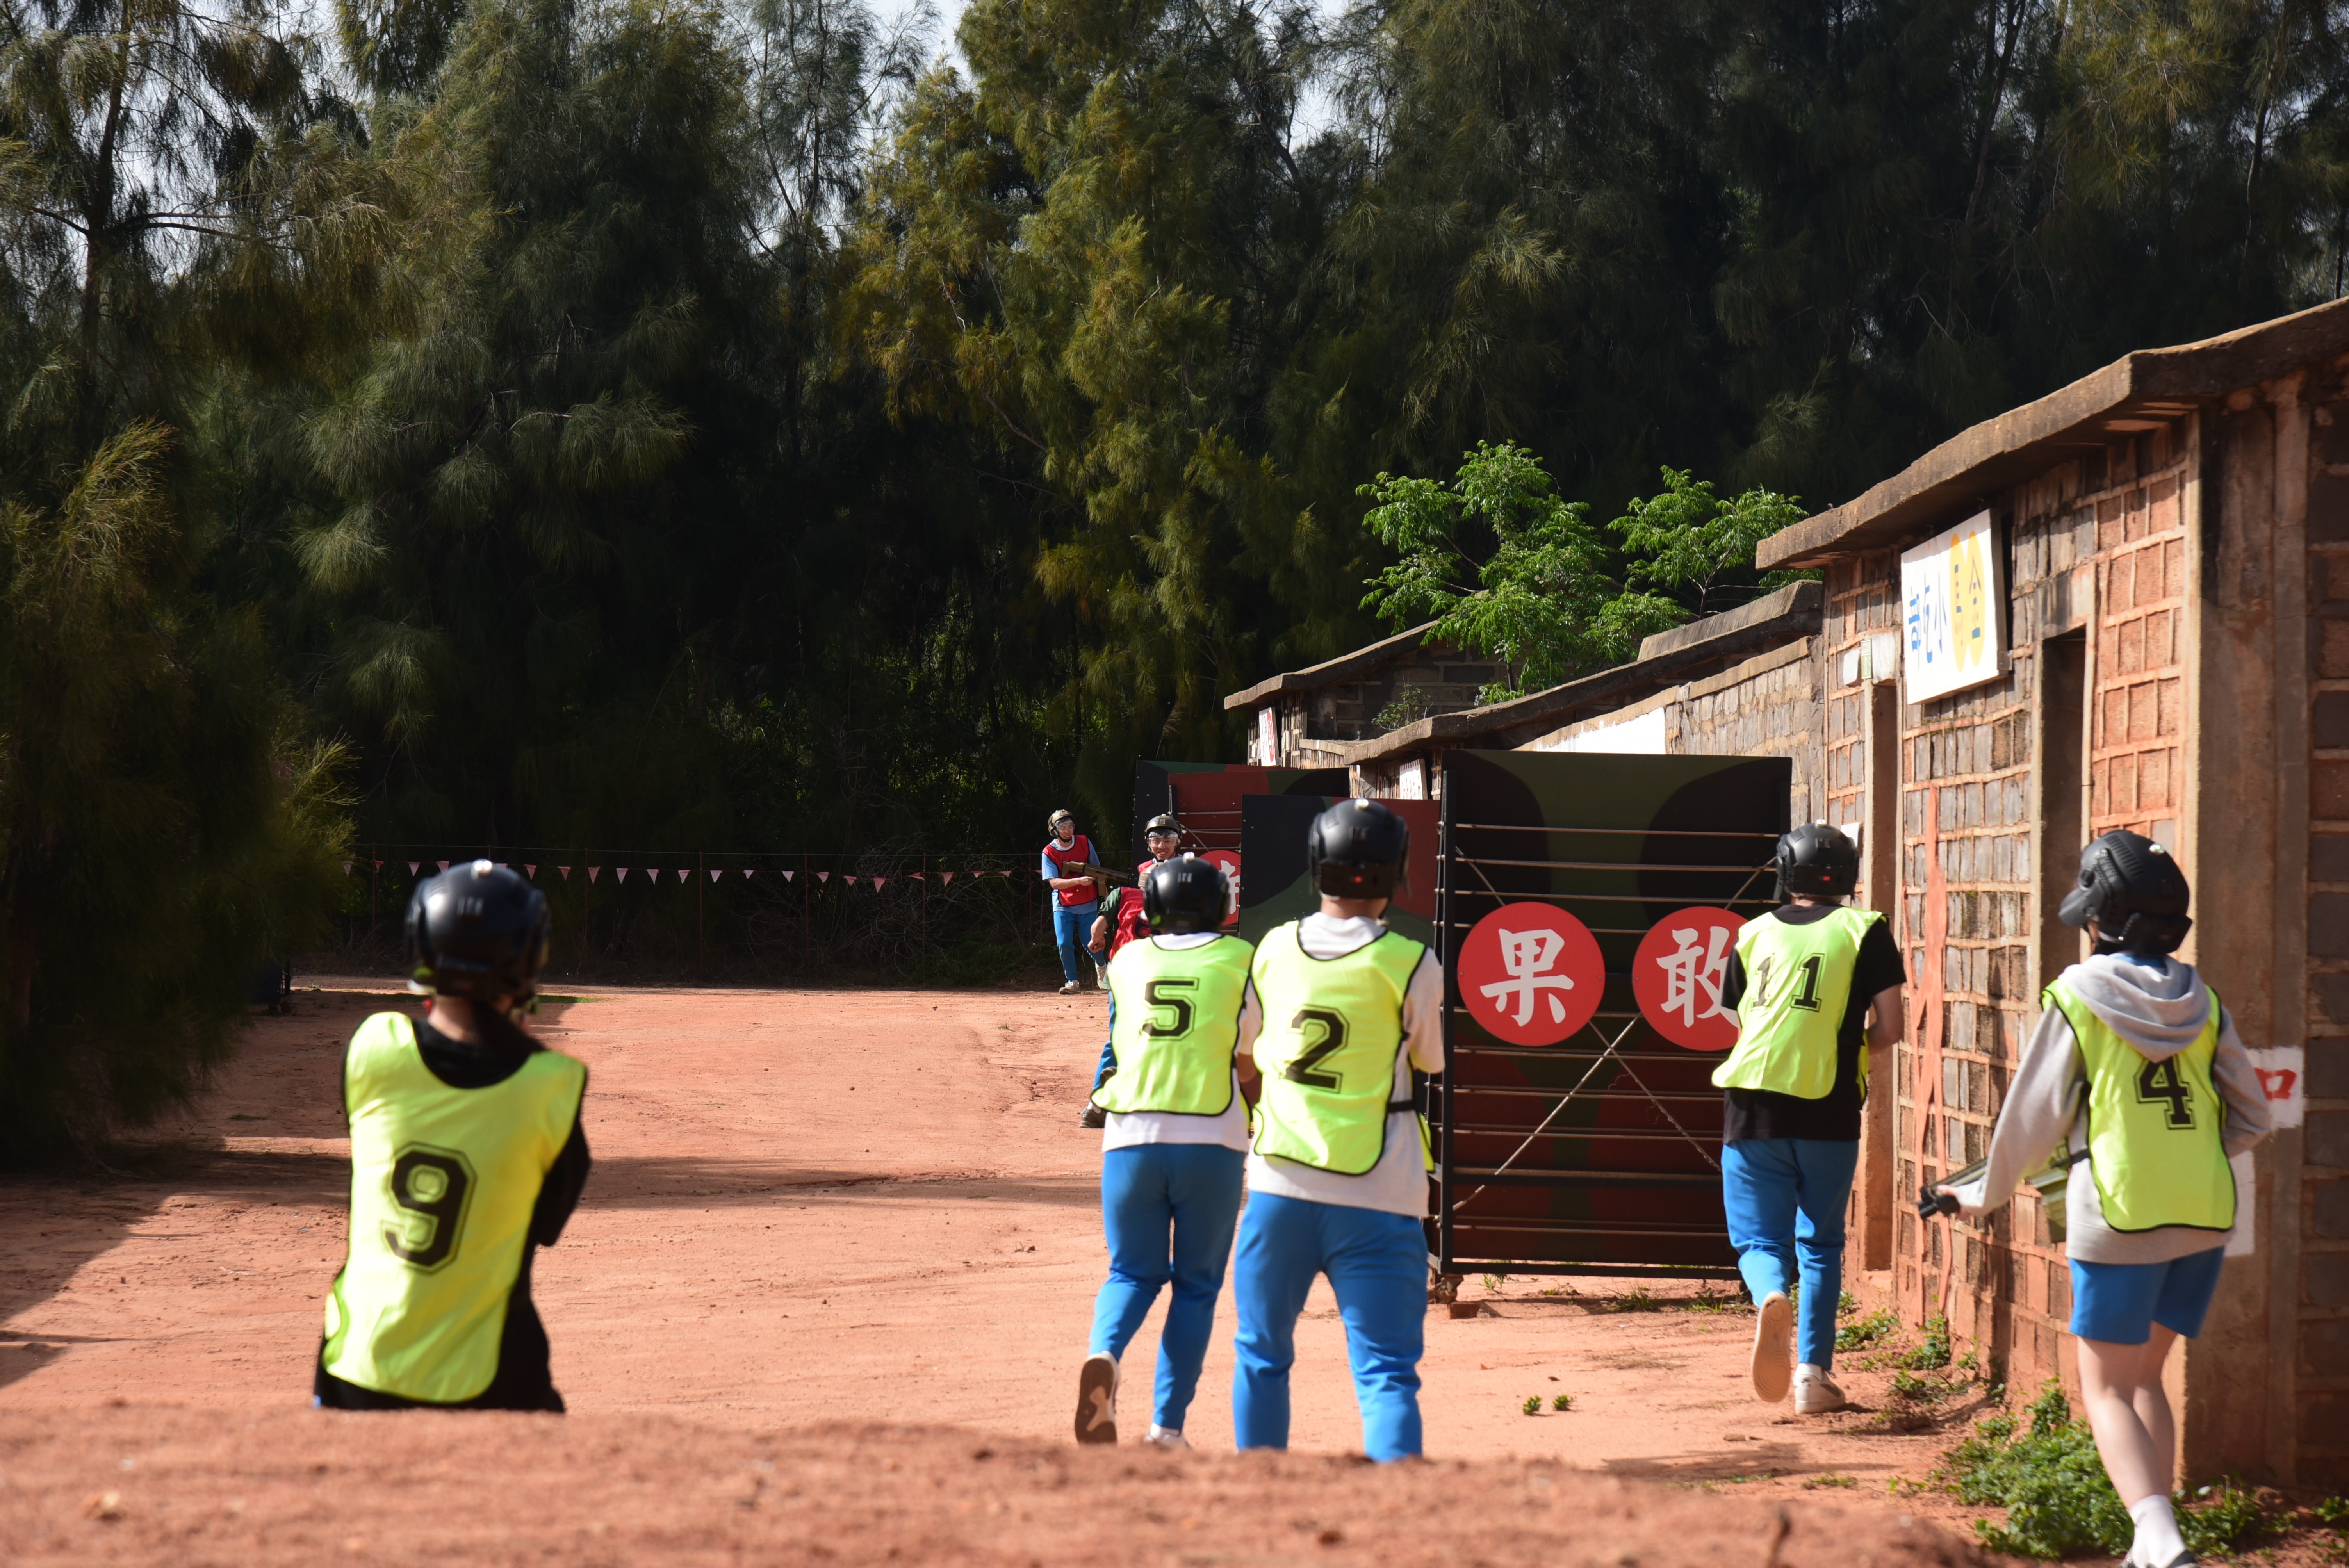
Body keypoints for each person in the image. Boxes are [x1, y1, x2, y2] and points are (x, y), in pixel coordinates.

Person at [1932, 833, 2269, 1568]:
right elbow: (2252, 1117)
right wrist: (2189, 1161)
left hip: (2115, 1218)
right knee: (2146, 1377)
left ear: (2102, 919)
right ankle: (2154, 1537)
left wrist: (1978, 1196)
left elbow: (2031, 1120)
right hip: (2204, 1216)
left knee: (2106, 1390)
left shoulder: (2077, 996)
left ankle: (2156, 1535)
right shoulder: (2203, 1000)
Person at [314, 860, 591, 1412]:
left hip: (357, 1371)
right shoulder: (552, 1089)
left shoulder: (372, 1048)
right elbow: (544, 1226)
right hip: (486, 1382)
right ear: (527, 965)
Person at [1230, 799, 1442, 1463]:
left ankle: (1257, 1511)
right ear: (1395, 873)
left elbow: (1246, 1050)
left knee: (1262, 1356)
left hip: (1278, 1186)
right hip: (1383, 1192)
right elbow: (1431, 1059)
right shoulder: (1412, 960)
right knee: (1385, 1374)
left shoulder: (1271, 948)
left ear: (1315, 866)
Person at [1713, 822, 1906, 1415]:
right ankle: (1812, 1377)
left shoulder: (1751, 934)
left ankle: (1771, 1293)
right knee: (1821, 1243)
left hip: (1752, 1103)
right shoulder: (1866, 930)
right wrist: (1843, 1049)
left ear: (1783, 874)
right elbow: (1893, 1028)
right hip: (1829, 1109)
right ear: (1848, 880)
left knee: (1757, 1239)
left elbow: (1735, 1021)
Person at [1075, 853, 1260, 1450]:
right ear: (1223, 908)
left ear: (1151, 910)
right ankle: (1166, 1428)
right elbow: (1250, 1057)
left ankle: (1104, 1354)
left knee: (1131, 1271)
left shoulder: (1128, 960)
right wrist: (1253, 1107)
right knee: (1197, 1286)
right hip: (1210, 1137)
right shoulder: (1242, 959)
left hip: (1129, 1134)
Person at [1079, 813, 1189, 1130]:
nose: (1161, 844)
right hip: (1156, 972)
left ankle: (1100, 1102)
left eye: (1167, 838)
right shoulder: (1171, 898)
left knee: (1121, 1033)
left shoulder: (1128, 895)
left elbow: (1099, 926)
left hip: (1129, 970)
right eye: (1156, 839)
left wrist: (1097, 941)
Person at [1042, 808, 1108, 996]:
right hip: (1063, 905)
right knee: (1064, 944)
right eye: (1063, 827)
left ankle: (1102, 969)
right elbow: (1054, 883)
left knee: (1093, 941)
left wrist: (1101, 887)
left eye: (1071, 826)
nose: (1068, 831)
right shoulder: (1048, 852)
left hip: (1088, 901)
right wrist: (1078, 881)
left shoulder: (1085, 842)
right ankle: (1072, 981)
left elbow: (1097, 869)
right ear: (1054, 830)